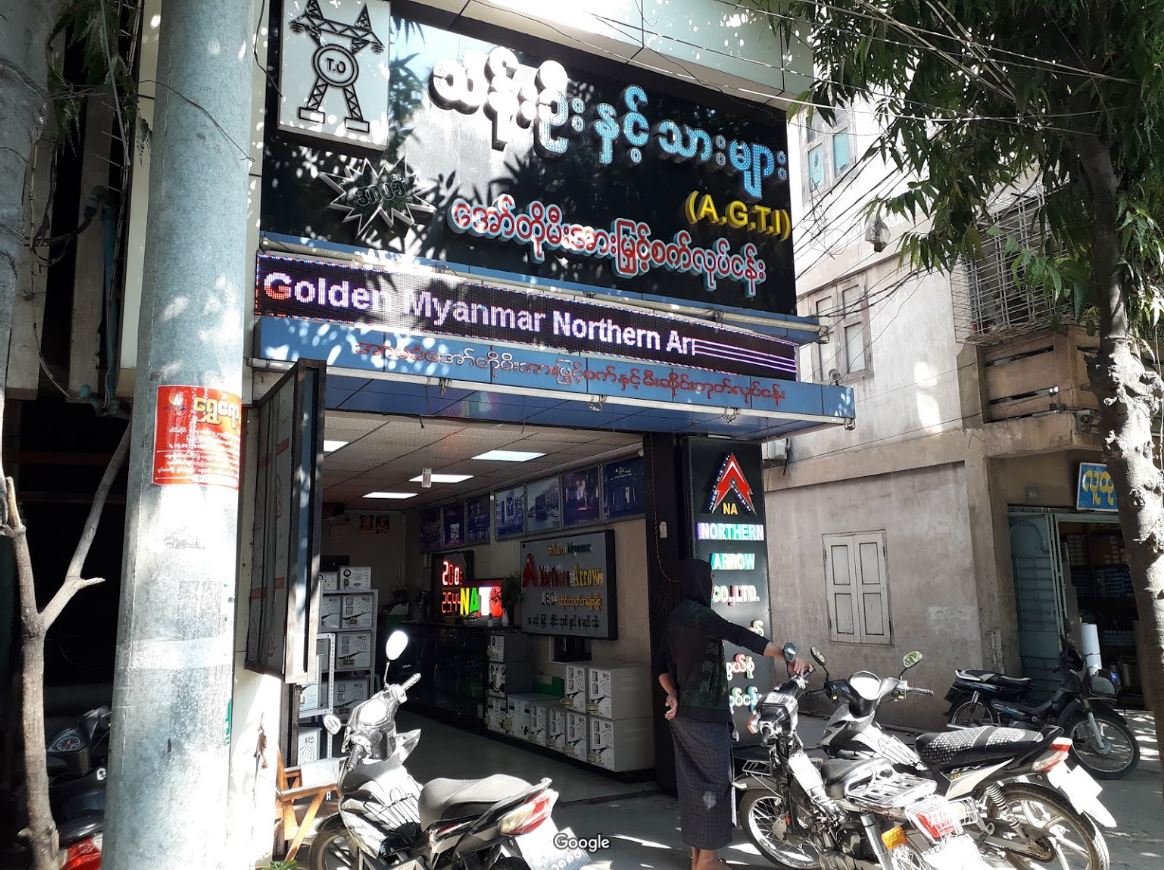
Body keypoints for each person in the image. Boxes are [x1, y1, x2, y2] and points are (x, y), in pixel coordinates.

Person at [652, 558, 808, 870]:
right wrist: (786, 656)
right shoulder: (700, 616)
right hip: (705, 717)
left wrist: (673, 694)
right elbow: (741, 636)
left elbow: (660, 667)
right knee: (715, 783)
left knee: (693, 784)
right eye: (709, 579)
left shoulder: (675, 617)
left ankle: (698, 857)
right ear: (701, 582)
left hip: (683, 717)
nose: (712, 585)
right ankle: (709, 861)